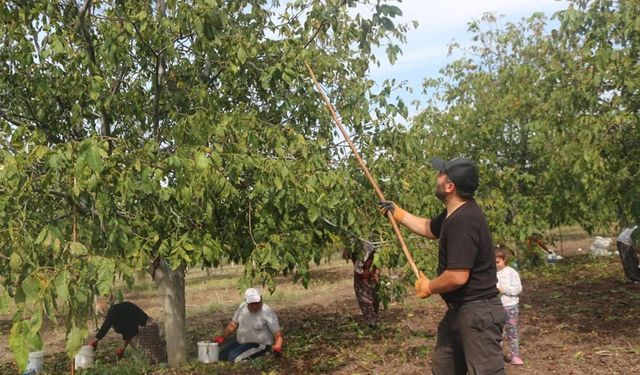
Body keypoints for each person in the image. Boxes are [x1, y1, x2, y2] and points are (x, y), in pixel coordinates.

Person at [379, 156, 506, 375]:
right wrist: (399, 213)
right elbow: (430, 229)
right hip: (460, 311)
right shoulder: (454, 213)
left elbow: (457, 276)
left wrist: (430, 286)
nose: (436, 177)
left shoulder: (463, 221)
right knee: (444, 367)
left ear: (450, 186)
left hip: (478, 313)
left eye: (441, 174)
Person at [213, 288, 283, 362]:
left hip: (259, 345)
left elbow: (277, 333)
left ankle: (264, 354)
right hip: (241, 342)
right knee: (221, 356)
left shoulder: (267, 312)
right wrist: (222, 336)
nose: (255, 306)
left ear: (261, 299)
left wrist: (277, 347)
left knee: (233, 358)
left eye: (257, 303)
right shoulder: (242, 307)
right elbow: (233, 324)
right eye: (251, 304)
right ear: (246, 301)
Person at [495, 247, 524, 365]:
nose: (495, 265)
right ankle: (496, 355)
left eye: (497, 262)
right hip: (496, 307)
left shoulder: (511, 272)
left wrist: (503, 290)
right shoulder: (489, 274)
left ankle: (515, 355)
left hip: (510, 307)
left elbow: (517, 289)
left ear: (504, 260)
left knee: (512, 330)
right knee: (497, 332)